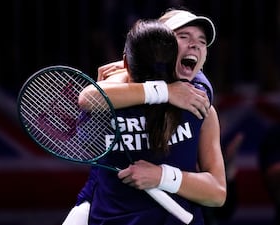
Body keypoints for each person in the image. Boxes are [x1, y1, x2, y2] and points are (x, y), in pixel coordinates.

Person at [63, 8, 226, 225]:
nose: (195, 44)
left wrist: (163, 176)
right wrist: (164, 90)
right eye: (183, 36)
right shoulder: (113, 95)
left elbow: (217, 192)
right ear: (158, 45)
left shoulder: (200, 107)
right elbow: (88, 98)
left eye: (202, 41)